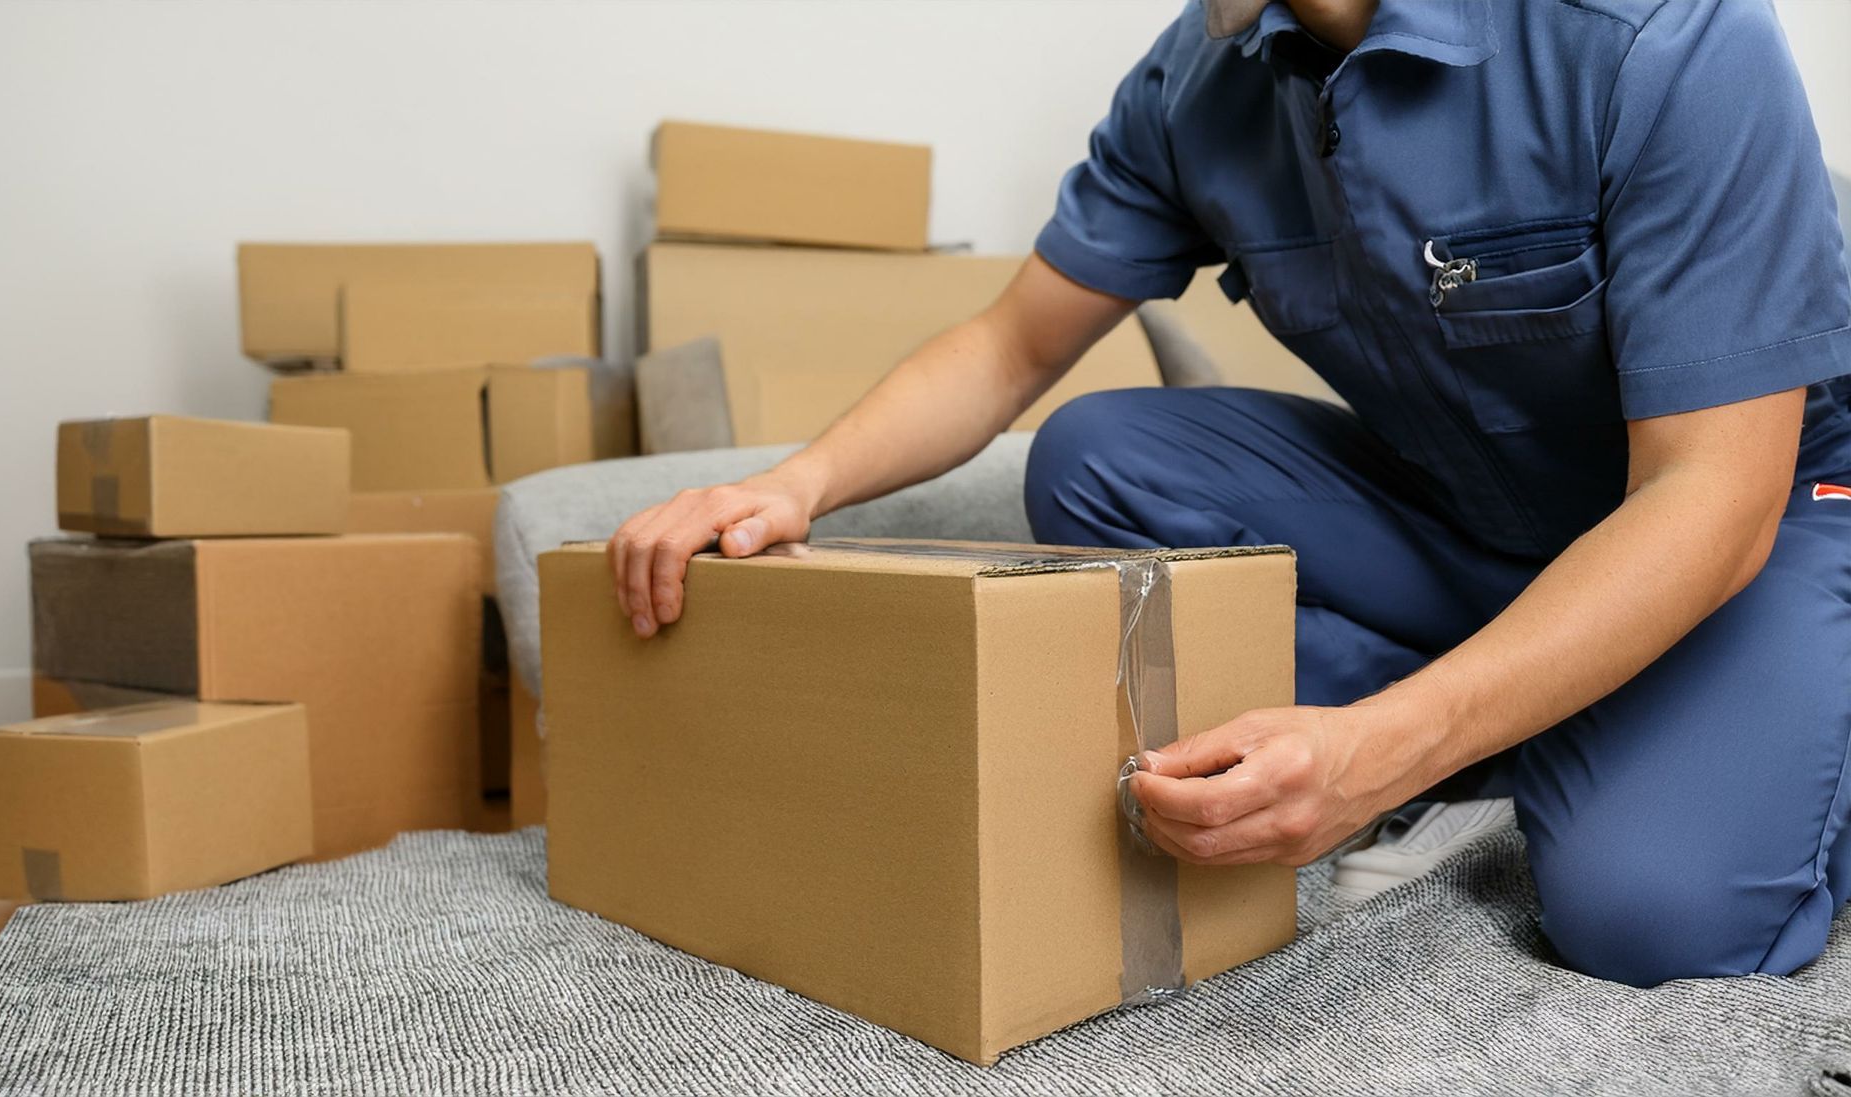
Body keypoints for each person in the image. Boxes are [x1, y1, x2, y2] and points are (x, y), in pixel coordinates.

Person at [608, 0, 1851, 988]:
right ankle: (1532, 715)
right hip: (1485, 519)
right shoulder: (1198, 80)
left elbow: (1710, 495)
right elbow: (1010, 345)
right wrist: (792, 484)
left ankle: (1670, 725)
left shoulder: (1661, 34)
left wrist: (1382, 751)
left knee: (1652, 908)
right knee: (1094, 458)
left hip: (1762, 510)